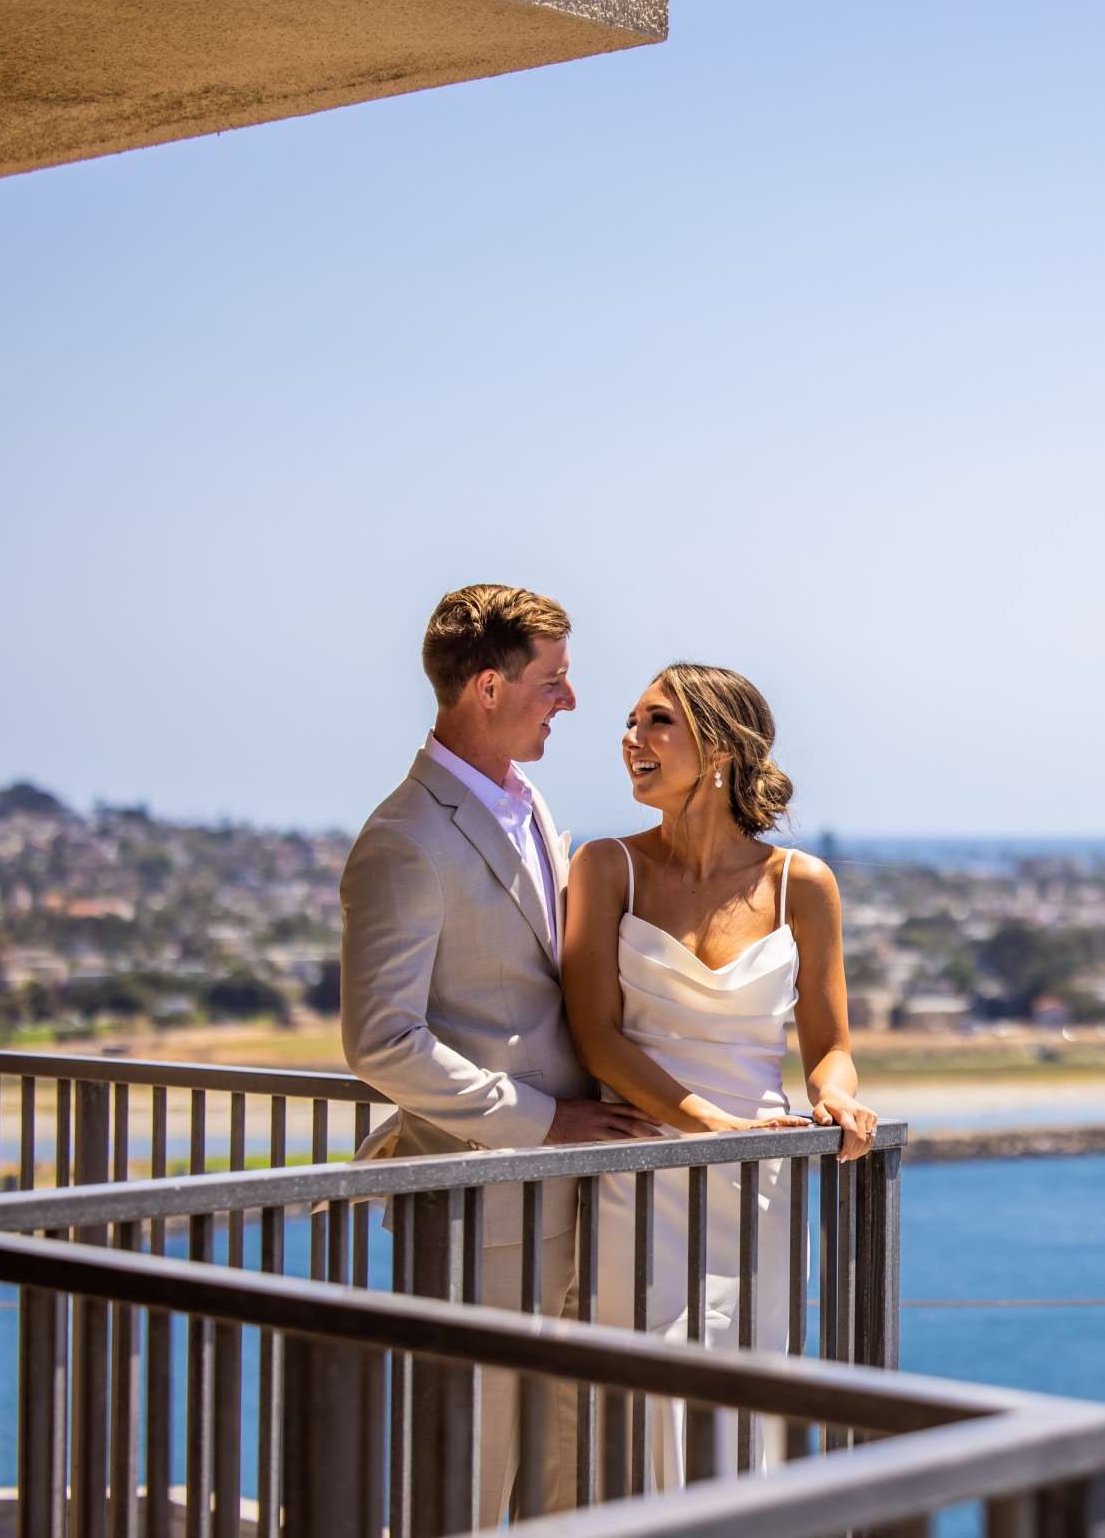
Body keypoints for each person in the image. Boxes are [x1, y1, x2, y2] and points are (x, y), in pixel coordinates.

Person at [338, 584, 660, 1523]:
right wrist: (544, 1121)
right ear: (487, 687)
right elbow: (380, 1040)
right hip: (480, 1204)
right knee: (468, 1469)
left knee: (562, 1461)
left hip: (574, 1198)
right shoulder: (404, 840)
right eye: (553, 681)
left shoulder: (529, 803)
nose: (570, 701)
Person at [562, 662, 878, 1486]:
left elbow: (830, 1043)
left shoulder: (800, 884)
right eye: (630, 722)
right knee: (641, 1401)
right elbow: (596, 1039)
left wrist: (836, 1097)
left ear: (720, 749)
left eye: (657, 721)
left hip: (758, 1179)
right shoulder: (605, 868)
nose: (632, 738)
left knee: (745, 1396)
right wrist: (700, 1123)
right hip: (639, 1169)